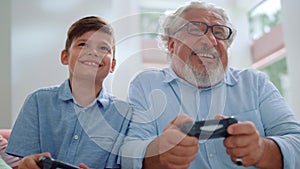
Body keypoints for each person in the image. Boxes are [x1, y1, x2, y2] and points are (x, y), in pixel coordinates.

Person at [120, 1, 300, 169]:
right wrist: (159, 154)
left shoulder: (255, 83)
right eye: (196, 30)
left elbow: (296, 143)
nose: (210, 41)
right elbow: (129, 155)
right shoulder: (146, 84)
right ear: (172, 45)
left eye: (219, 33)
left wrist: (262, 150)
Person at [6, 16, 132, 169]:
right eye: (83, 44)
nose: (93, 52)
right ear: (65, 57)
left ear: (112, 65)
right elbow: (24, 162)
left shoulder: (125, 115)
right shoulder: (38, 101)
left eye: (103, 48)